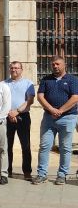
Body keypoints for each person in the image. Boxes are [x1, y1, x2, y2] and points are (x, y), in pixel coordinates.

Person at [32, 56, 78, 185]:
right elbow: (40, 96)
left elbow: (75, 98)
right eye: (53, 64)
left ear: (64, 65)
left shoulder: (73, 80)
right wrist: (52, 110)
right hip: (49, 118)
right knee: (45, 146)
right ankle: (41, 174)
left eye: (57, 64)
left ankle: (62, 175)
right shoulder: (46, 79)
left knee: (65, 148)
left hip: (68, 118)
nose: (55, 66)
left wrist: (61, 110)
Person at [4, 61, 35, 180]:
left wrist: (16, 111)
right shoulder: (3, 84)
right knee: (7, 146)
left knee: (25, 145)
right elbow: (1, 101)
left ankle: (27, 172)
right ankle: (7, 170)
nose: (14, 70)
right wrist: (9, 113)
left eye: (17, 68)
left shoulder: (28, 83)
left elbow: (30, 100)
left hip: (23, 117)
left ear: (21, 70)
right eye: (12, 68)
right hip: (7, 117)